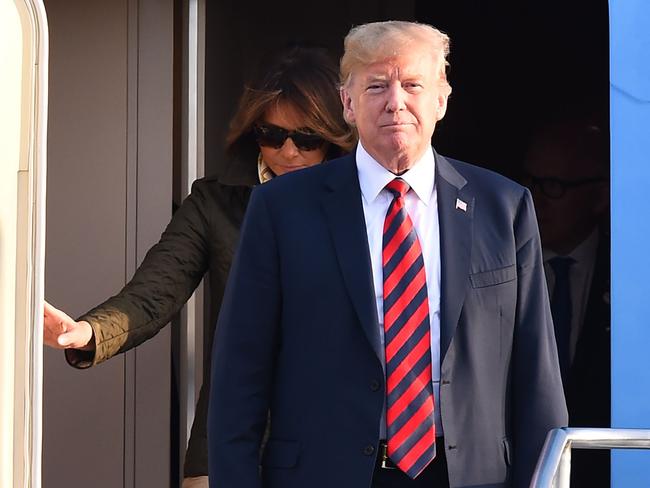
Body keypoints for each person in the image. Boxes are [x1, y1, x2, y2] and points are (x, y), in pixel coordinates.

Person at [208, 20, 567, 488]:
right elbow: (240, 373)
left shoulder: (504, 206)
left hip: (469, 476)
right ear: (348, 103)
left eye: (412, 84)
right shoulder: (281, 209)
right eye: (376, 85)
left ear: (441, 98)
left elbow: (536, 372)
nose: (395, 101)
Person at [42, 44, 355, 488]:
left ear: (334, 137)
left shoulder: (362, 205)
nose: (288, 151)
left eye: (306, 138)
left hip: (334, 429)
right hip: (232, 430)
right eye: (272, 135)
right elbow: (155, 292)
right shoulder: (214, 201)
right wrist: (89, 332)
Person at [523, 118, 610, 487]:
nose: (536, 199)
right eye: (531, 183)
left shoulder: (631, 275)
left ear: (601, 195)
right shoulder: (500, 265)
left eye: (554, 186)